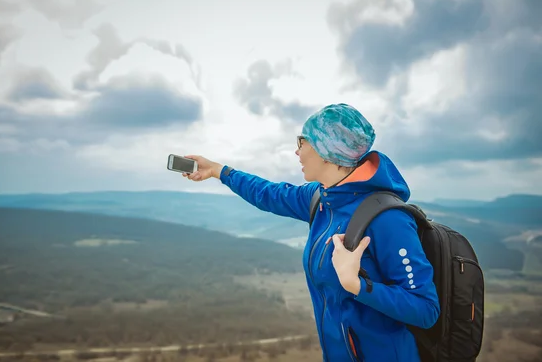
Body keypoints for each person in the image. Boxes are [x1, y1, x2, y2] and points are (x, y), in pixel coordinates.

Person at [182, 103, 440, 362]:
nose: (297, 151)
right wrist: (218, 171)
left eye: (302, 142)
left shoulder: (388, 220)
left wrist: (357, 285)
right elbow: (269, 193)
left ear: (326, 151)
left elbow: (425, 309)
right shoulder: (322, 197)